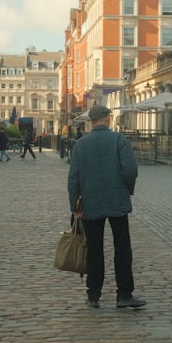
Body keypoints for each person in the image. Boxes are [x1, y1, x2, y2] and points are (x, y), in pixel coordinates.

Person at [67, 104, 145, 310]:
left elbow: (73, 178)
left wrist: (75, 206)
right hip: (117, 199)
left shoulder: (81, 145)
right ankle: (124, 294)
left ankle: (93, 294)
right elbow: (130, 170)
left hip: (90, 202)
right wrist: (127, 189)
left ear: (91, 121)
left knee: (94, 249)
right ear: (108, 119)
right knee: (122, 248)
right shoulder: (119, 140)